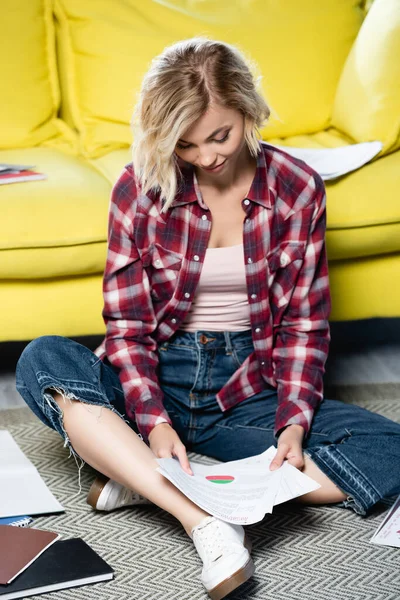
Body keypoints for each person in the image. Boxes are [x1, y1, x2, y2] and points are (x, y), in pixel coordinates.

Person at [16, 37, 400, 600]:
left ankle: (143, 480)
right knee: (42, 359)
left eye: (219, 135)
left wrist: (293, 422)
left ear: (248, 109)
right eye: (186, 144)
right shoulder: (138, 187)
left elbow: (304, 324)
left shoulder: (297, 188)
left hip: (246, 389)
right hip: (152, 377)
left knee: (387, 448)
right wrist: (153, 420)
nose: (205, 158)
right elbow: (127, 327)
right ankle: (204, 519)